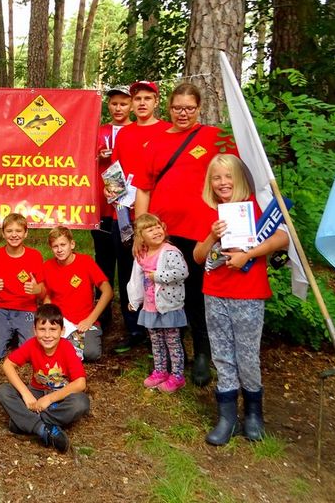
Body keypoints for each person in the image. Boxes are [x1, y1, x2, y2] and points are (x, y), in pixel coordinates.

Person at [134, 82, 236, 386]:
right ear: (168, 107)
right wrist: (140, 232)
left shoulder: (216, 138)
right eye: (178, 108)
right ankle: (170, 352)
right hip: (163, 234)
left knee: (196, 293)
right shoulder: (155, 143)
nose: (183, 113)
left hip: (203, 232)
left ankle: (203, 352)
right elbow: (143, 189)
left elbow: (234, 178)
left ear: (199, 108)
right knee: (164, 291)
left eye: (189, 108)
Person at [193, 154, 289, 445]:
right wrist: (211, 236)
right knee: (222, 354)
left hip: (248, 292)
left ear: (240, 178)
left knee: (247, 355)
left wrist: (249, 255)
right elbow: (198, 256)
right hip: (215, 292)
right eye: (216, 177)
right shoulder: (208, 211)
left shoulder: (256, 206)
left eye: (228, 176)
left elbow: (283, 237)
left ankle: (253, 414)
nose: (222, 182)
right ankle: (227, 417)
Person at [107, 80, 172, 353]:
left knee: (157, 268)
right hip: (125, 215)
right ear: (132, 104)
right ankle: (133, 328)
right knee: (128, 270)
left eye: (147, 98)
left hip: (158, 215)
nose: (142, 103)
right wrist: (117, 201)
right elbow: (114, 172)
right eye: (138, 99)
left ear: (156, 102)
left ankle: (162, 328)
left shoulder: (168, 130)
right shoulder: (124, 134)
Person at [0, 303, 90, 453]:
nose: (47, 335)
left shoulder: (66, 347)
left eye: (53, 329)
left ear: (62, 331)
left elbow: (80, 383)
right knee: (4, 391)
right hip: (36, 393)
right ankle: (41, 428)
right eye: (42, 329)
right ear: (34, 330)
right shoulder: (32, 344)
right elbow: (8, 365)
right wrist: (26, 394)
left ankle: (23, 422)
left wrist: (50, 399)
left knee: (81, 402)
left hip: (60, 397)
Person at [127, 213, 189, 393]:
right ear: (141, 236)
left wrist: (159, 276)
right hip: (150, 308)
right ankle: (160, 371)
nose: (156, 231)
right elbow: (136, 279)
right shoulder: (142, 255)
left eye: (157, 227)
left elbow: (182, 272)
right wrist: (135, 300)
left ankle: (177, 376)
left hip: (168, 307)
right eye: (150, 229)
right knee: (156, 342)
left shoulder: (170, 251)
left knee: (172, 342)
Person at [91, 85, 132, 339]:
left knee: (128, 266)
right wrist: (98, 156)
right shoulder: (99, 131)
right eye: (114, 103)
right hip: (101, 209)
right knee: (103, 264)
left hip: (127, 210)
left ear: (131, 105)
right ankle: (102, 317)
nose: (118, 108)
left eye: (123, 104)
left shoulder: (136, 131)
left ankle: (131, 322)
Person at [0, 213, 45, 361]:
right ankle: (0, 325)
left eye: (18, 231)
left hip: (27, 310)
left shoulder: (35, 256)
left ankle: (14, 332)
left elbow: (43, 293)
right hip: (2, 309)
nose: (14, 235)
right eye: (9, 231)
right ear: (3, 233)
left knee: (30, 355)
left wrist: (37, 290)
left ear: (25, 233)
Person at [41, 226, 112, 362]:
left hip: (84, 321)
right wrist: (48, 320)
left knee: (91, 353)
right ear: (51, 248)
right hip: (60, 321)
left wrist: (90, 319)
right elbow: (48, 297)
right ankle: (68, 345)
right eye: (55, 246)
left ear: (72, 244)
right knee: (41, 346)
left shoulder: (85, 262)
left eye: (63, 245)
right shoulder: (47, 266)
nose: (59, 249)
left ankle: (68, 346)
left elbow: (108, 291)